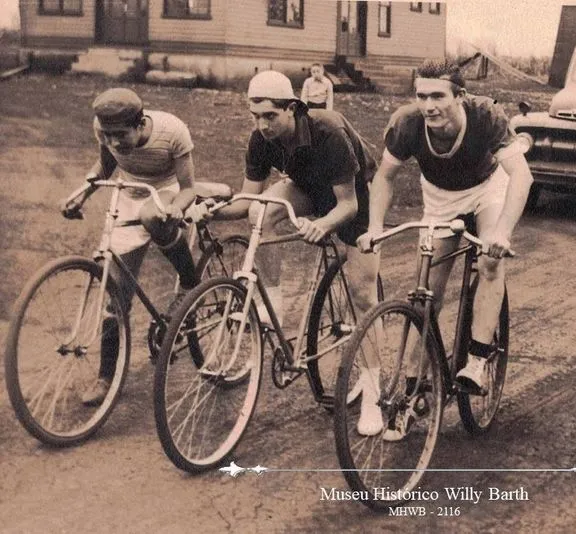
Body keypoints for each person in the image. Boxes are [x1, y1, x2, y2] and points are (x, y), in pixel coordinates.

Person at [186, 70, 381, 433]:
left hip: (353, 197)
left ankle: (374, 396)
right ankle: (271, 299)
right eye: (255, 116)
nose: (262, 125)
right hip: (307, 187)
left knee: (363, 296)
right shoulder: (260, 139)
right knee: (262, 211)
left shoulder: (328, 131)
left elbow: (348, 205)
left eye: (270, 116)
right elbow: (247, 201)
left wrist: (322, 225)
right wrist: (208, 208)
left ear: (293, 108)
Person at [357, 57, 534, 440]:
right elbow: (384, 178)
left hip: (488, 188)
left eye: (438, 95)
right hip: (439, 196)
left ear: (460, 95)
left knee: (489, 261)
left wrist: (501, 232)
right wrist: (374, 228)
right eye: (422, 96)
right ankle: (412, 393)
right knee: (425, 295)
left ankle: (477, 359)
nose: (429, 105)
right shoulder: (407, 123)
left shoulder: (485, 115)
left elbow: (521, 175)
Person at [61, 88, 200, 406]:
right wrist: (81, 193)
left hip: (165, 190)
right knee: (116, 293)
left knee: (152, 216)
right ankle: (106, 377)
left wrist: (177, 206)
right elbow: (105, 165)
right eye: (106, 135)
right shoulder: (104, 130)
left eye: (120, 135)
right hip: (128, 193)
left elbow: (189, 187)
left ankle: (190, 282)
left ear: (140, 124)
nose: (113, 142)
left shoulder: (172, 131)